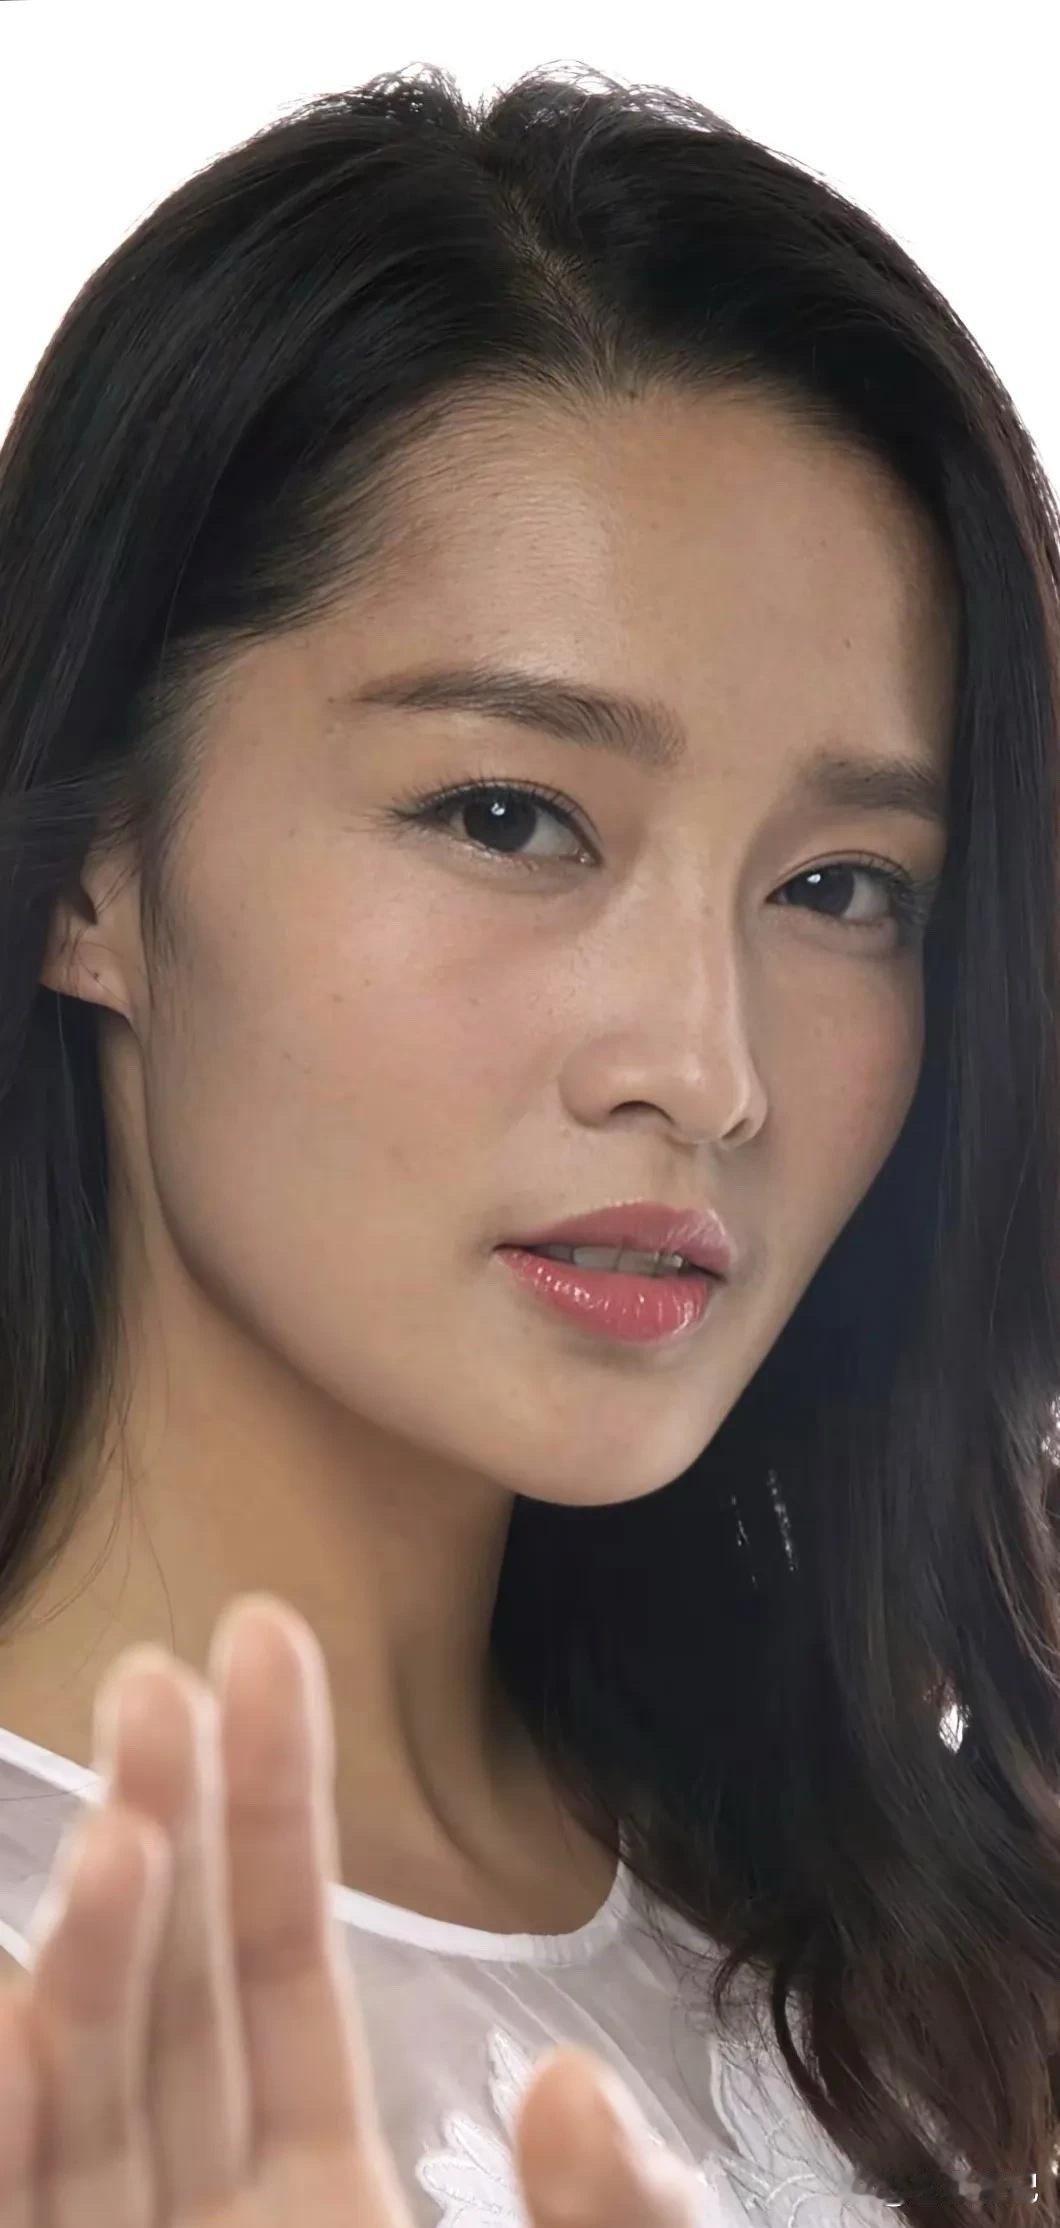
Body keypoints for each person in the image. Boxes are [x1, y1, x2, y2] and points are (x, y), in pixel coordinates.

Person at [0, 55, 1056, 2228]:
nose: (707, 1067)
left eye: (841, 884)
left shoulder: (873, 1969)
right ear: (96, 862)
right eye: (509, 816)